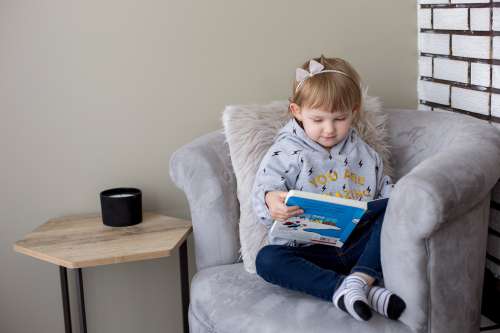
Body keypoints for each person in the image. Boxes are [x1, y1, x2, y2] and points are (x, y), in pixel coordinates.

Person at [252, 55, 406, 322]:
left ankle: (361, 278)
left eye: (339, 118)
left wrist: (396, 201)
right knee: (267, 260)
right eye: (318, 119)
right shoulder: (285, 152)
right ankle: (346, 289)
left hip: (358, 246)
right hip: (309, 252)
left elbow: (385, 192)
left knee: (394, 207)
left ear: (354, 111)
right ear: (296, 111)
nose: (329, 129)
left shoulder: (367, 155)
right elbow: (266, 192)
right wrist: (271, 202)